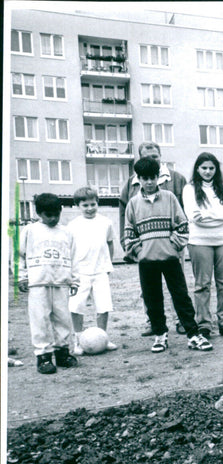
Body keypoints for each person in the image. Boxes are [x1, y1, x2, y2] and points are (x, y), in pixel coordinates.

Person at [124, 157, 212, 353]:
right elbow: (129, 232)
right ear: (139, 179)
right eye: (144, 178)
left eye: (152, 178)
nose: (149, 182)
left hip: (171, 258)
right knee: (152, 299)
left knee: (181, 296)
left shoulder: (170, 198)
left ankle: (193, 334)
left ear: (158, 178)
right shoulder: (133, 203)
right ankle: (160, 335)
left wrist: (174, 246)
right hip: (147, 261)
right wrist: (139, 251)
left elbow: (182, 224)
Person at [119, 141, 188, 336]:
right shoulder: (130, 184)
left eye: (154, 157)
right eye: (145, 158)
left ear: (160, 157)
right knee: (149, 289)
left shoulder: (177, 179)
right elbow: (125, 216)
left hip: (170, 247)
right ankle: (154, 322)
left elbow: (183, 214)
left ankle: (181, 320)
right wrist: (132, 247)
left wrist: (178, 243)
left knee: (177, 287)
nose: (150, 160)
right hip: (146, 248)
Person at [18, 193, 79, 374]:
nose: (52, 218)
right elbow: (20, 256)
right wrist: (22, 276)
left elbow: (73, 257)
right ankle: (43, 356)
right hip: (38, 282)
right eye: (48, 215)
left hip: (61, 282)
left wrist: (74, 280)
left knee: (63, 318)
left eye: (56, 214)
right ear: (39, 213)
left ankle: (62, 353)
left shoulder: (66, 232)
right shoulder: (30, 231)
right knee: (40, 319)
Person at [183, 152, 223, 338]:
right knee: (202, 285)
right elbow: (194, 217)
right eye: (204, 168)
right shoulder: (189, 189)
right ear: (197, 169)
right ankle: (204, 324)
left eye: (211, 168)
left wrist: (209, 215)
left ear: (216, 169)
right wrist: (220, 215)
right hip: (199, 241)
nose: (208, 172)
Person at [67, 186, 118, 355]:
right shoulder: (72, 226)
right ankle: (78, 341)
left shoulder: (106, 222)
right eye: (85, 205)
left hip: (100, 270)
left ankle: (102, 337)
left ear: (98, 203)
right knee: (76, 306)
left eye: (92, 204)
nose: (89, 209)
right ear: (78, 206)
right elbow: (68, 249)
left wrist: (107, 264)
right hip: (79, 272)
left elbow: (109, 243)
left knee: (103, 306)